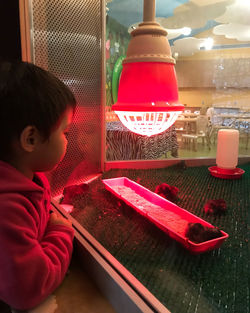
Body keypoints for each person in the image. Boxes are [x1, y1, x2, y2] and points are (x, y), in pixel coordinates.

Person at [0, 60, 76, 311]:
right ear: (30, 138)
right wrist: (61, 232)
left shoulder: (28, 180)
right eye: (65, 131)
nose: (68, 140)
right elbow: (29, 289)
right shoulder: (8, 207)